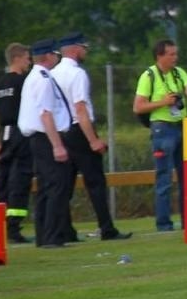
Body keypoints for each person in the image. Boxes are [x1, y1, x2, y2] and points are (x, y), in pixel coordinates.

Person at [53, 33, 130, 240]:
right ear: (76, 49)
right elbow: (80, 109)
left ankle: (64, 229)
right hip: (80, 130)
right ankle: (107, 228)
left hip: (61, 131)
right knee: (95, 182)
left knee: (64, 185)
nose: (85, 51)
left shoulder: (52, 73)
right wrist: (93, 140)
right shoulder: (77, 74)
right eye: (84, 48)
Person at [133, 39, 187, 233]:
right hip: (162, 128)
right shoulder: (148, 76)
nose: (175, 58)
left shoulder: (179, 73)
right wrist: (162, 102)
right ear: (160, 56)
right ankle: (164, 224)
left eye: (176, 54)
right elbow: (138, 106)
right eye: (171, 54)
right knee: (164, 178)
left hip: (182, 127)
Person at [16, 39, 74, 249]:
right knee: (56, 186)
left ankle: (44, 235)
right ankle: (53, 235)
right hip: (45, 137)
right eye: (55, 54)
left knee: (45, 187)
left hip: (40, 138)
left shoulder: (38, 76)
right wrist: (57, 145)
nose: (57, 57)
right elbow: (46, 114)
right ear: (48, 56)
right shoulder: (42, 79)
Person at [0, 43, 33, 244]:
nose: (29, 62)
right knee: (20, 180)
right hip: (21, 132)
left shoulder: (0, 83)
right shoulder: (23, 82)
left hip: (5, 135)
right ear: (17, 58)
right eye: (27, 58)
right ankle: (14, 227)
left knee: (4, 181)